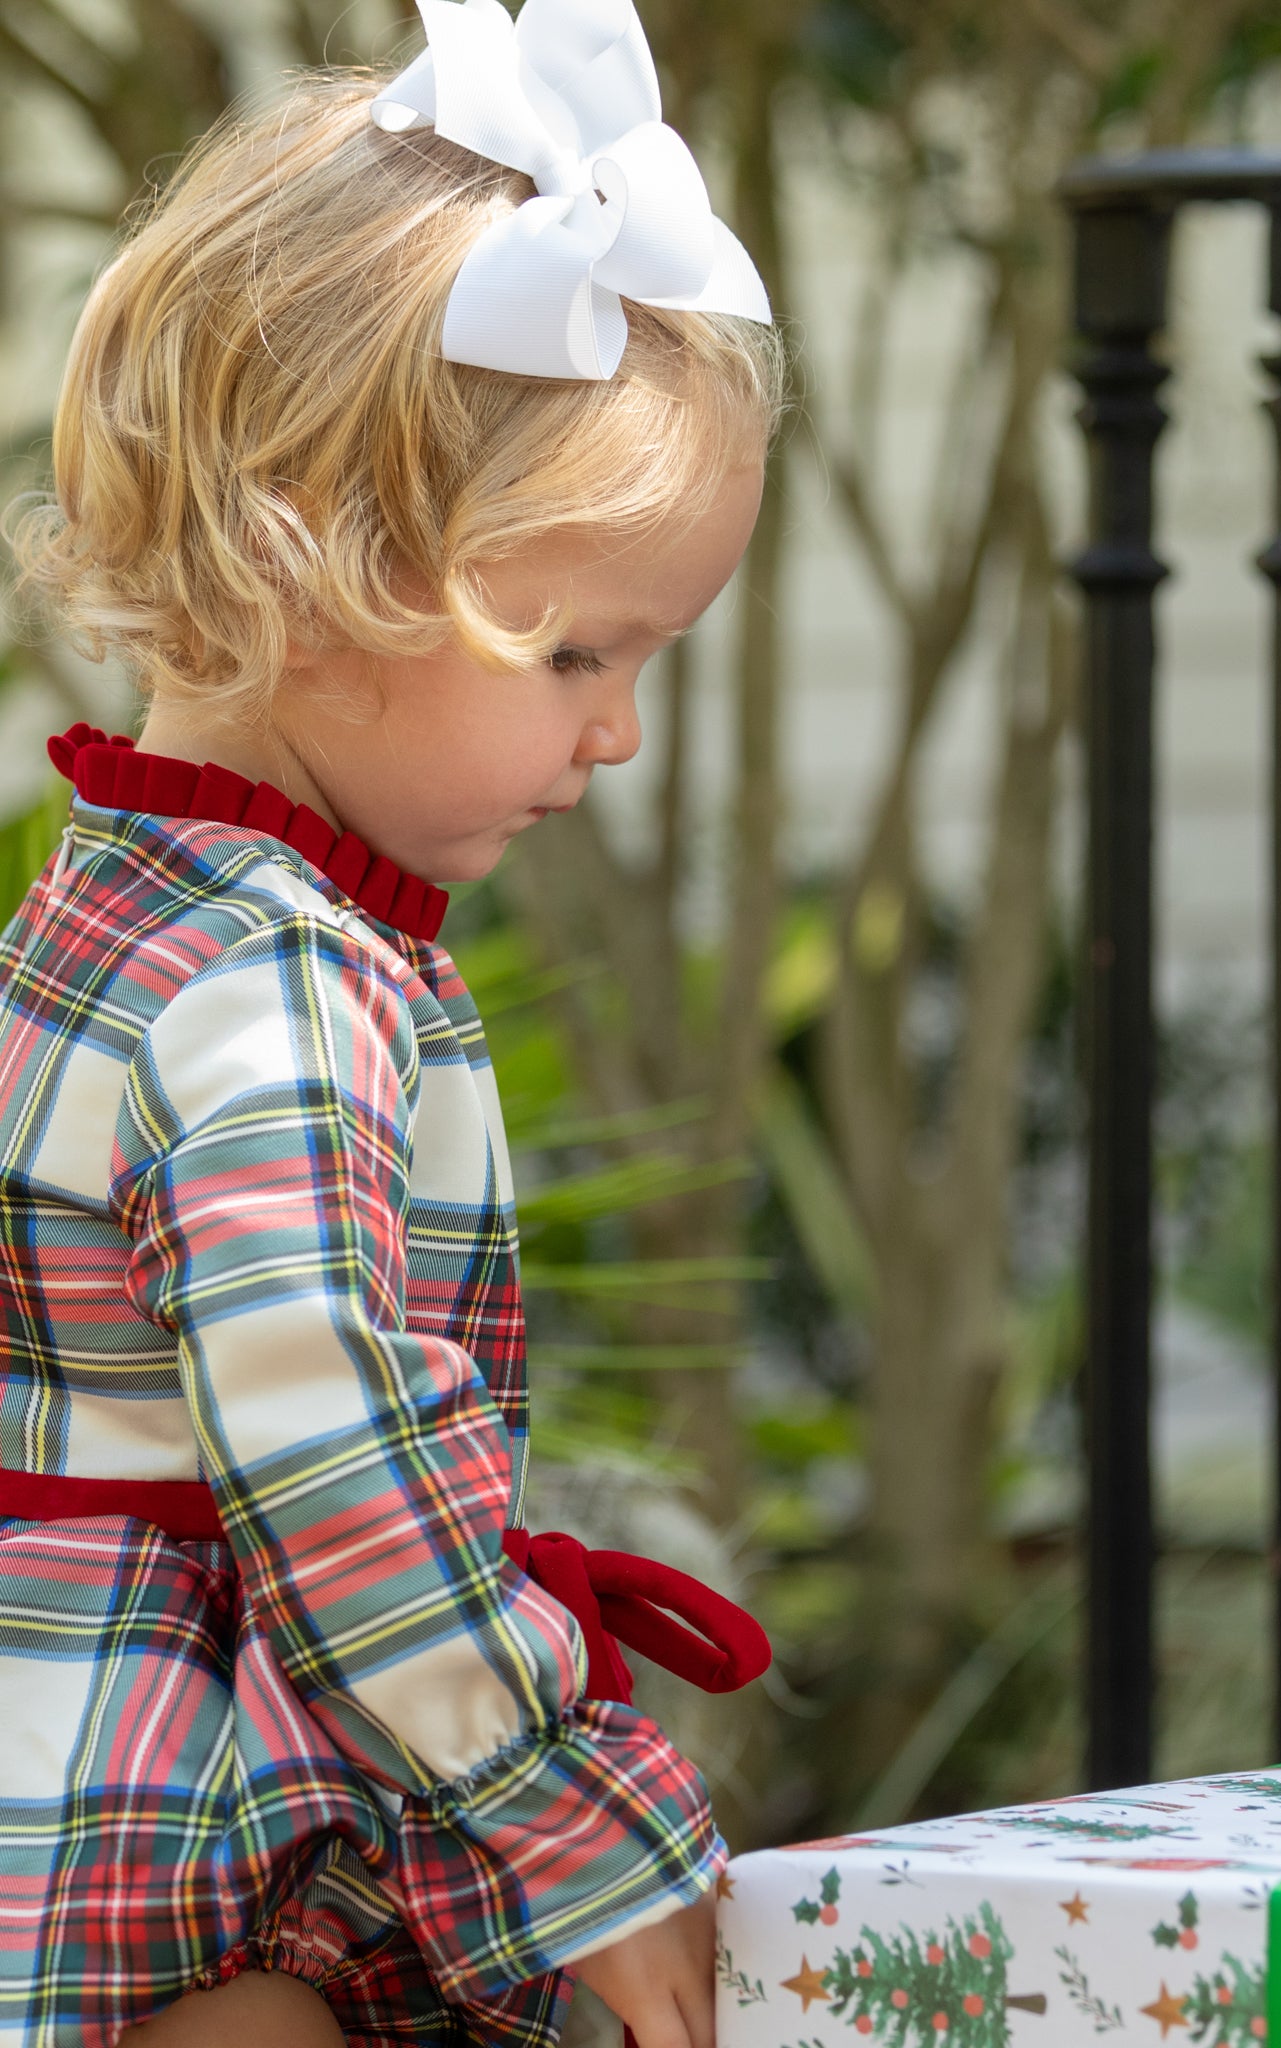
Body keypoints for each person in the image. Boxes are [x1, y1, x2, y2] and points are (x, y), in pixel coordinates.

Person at [0, 0, 781, 2039]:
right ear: (311, 567)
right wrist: (575, 1828)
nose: (614, 730)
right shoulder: (272, 984)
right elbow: (344, 1472)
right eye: (577, 649)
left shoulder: (126, 898)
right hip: (179, 1904)